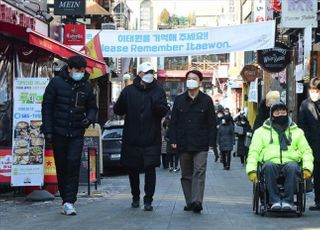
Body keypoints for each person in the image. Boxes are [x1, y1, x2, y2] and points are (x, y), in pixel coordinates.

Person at [42, 55, 97, 215]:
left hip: (77, 132)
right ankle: (65, 199)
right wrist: (48, 131)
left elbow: (93, 107)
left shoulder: (86, 86)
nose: (79, 73)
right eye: (77, 70)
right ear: (69, 68)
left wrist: (89, 118)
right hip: (58, 133)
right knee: (62, 166)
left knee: (73, 164)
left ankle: (69, 201)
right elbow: (47, 108)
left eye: (82, 70)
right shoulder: (56, 83)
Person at [113, 62, 168, 211]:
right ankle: (135, 197)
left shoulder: (158, 91)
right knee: (133, 170)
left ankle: (148, 200)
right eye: (147, 72)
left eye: (152, 72)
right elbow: (118, 109)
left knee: (150, 169)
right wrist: (122, 101)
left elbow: (164, 110)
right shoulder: (129, 90)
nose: (150, 74)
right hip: (132, 138)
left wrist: (157, 106)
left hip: (151, 138)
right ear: (140, 74)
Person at [246, 101, 313, 211]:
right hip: (270, 162)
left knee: (292, 167)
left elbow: (306, 151)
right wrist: (251, 170)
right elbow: (253, 152)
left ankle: (288, 201)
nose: (280, 115)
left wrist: (307, 168)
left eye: (283, 112)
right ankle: (274, 201)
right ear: (272, 114)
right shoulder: (261, 132)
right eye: (277, 113)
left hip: (290, 161)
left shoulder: (297, 132)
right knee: (268, 166)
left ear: (287, 113)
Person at [169, 70, 217, 213]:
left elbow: (211, 123)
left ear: (200, 82)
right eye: (188, 78)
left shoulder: (206, 100)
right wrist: (173, 139)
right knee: (186, 174)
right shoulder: (179, 100)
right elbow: (173, 122)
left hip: (201, 142)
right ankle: (189, 201)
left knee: (199, 171)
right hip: (183, 142)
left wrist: (212, 142)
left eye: (194, 78)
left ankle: (197, 201)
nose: (191, 80)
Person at [298, 78, 320, 211]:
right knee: (317, 175)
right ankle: (318, 201)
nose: (314, 93)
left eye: (317, 90)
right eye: (312, 90)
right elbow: (302, 126)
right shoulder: (305, 105)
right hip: (313, 144)